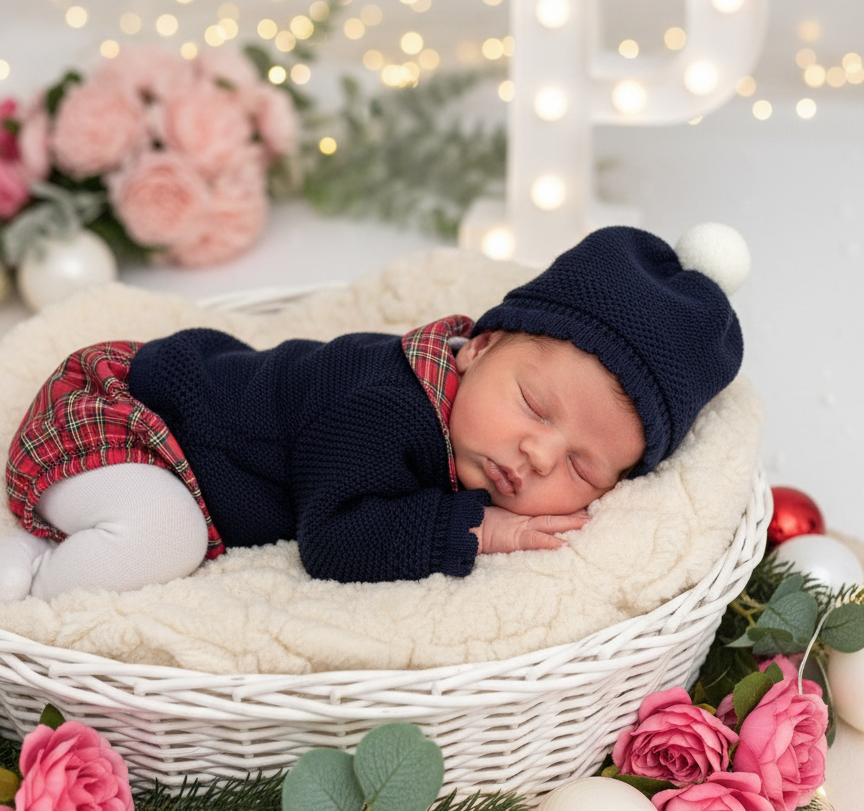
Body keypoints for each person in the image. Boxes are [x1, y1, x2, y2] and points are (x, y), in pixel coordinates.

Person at [0, 225, 745, 602]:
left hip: (155, 443)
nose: (541, 457)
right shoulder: (386, 411)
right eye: (534, 405)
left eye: (585, 466)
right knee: (167, 534)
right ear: (476, 348)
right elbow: (334, 541)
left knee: (170, 528)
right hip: (124, 422)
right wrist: (476, 529)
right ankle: (33, 578)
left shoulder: (462, 422)